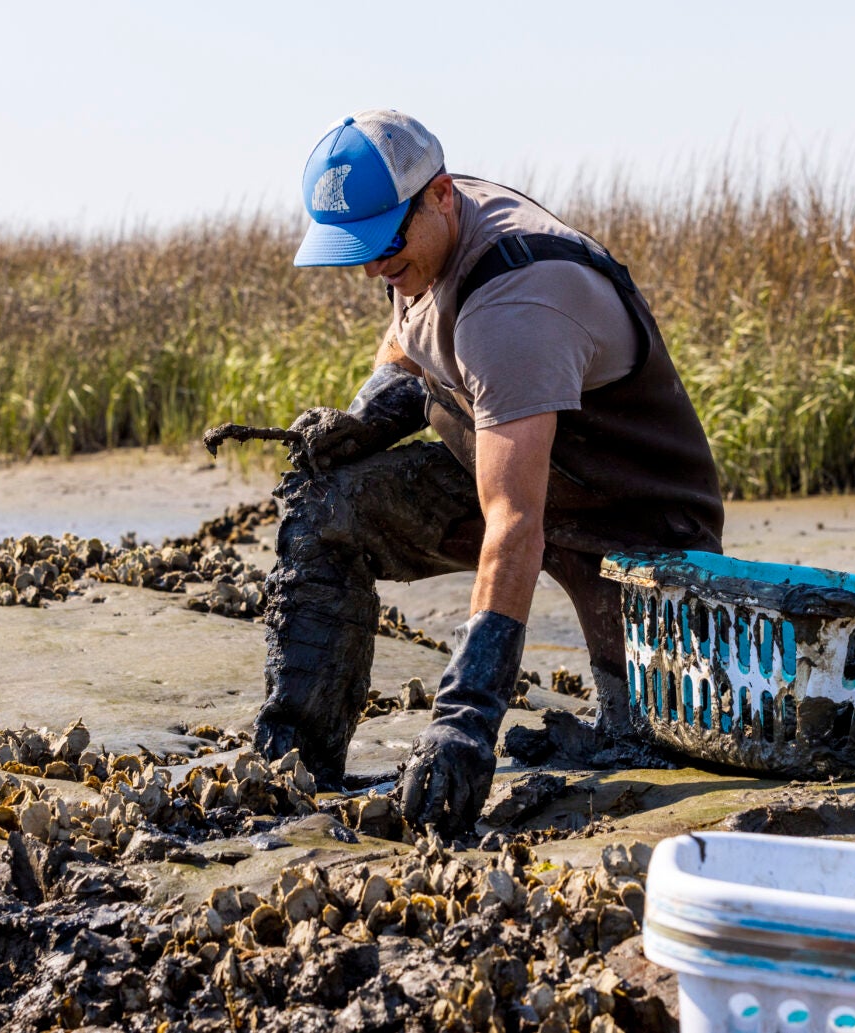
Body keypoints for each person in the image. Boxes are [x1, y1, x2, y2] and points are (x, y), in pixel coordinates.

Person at [252, 109, 723, 838]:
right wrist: (371, 411)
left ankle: (627, 702)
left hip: (635, 531)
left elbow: (516, 523)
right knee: (325, 506)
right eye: (359, 251)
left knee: (651, 738)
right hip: (516, 471)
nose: (376, 267)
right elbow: (409, 326)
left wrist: (465, 719)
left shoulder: (514, 306)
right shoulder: (425, 236)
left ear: (441, 195)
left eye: (385, 244)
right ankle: (299, 765)